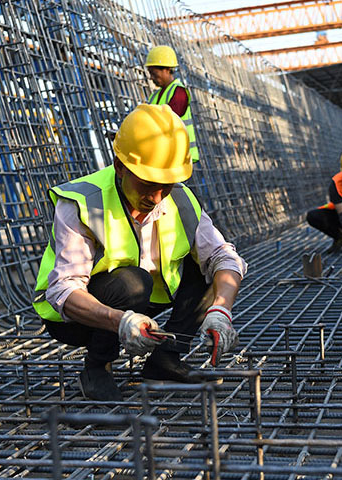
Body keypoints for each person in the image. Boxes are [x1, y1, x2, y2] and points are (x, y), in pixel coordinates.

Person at [32, 104, 246, 401]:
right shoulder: (83, 202)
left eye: (165, 187)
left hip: (143, 304)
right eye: (147, 185)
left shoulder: (180, 200)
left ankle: (165, 360)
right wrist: (120, 321)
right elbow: (64, 291)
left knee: (208, 270)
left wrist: (221, 309)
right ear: (120, 166)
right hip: (75, 316)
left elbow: (225, 257)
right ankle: (97, 367)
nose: (156, 198)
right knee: (133, 283)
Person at [145, 45, 199, 163]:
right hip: (164, 154)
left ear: (167, 69)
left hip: (179, 155)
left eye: (154, 73)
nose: (151, 78)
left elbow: (169, 121)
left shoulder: (179, 92)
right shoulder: (154, 96)